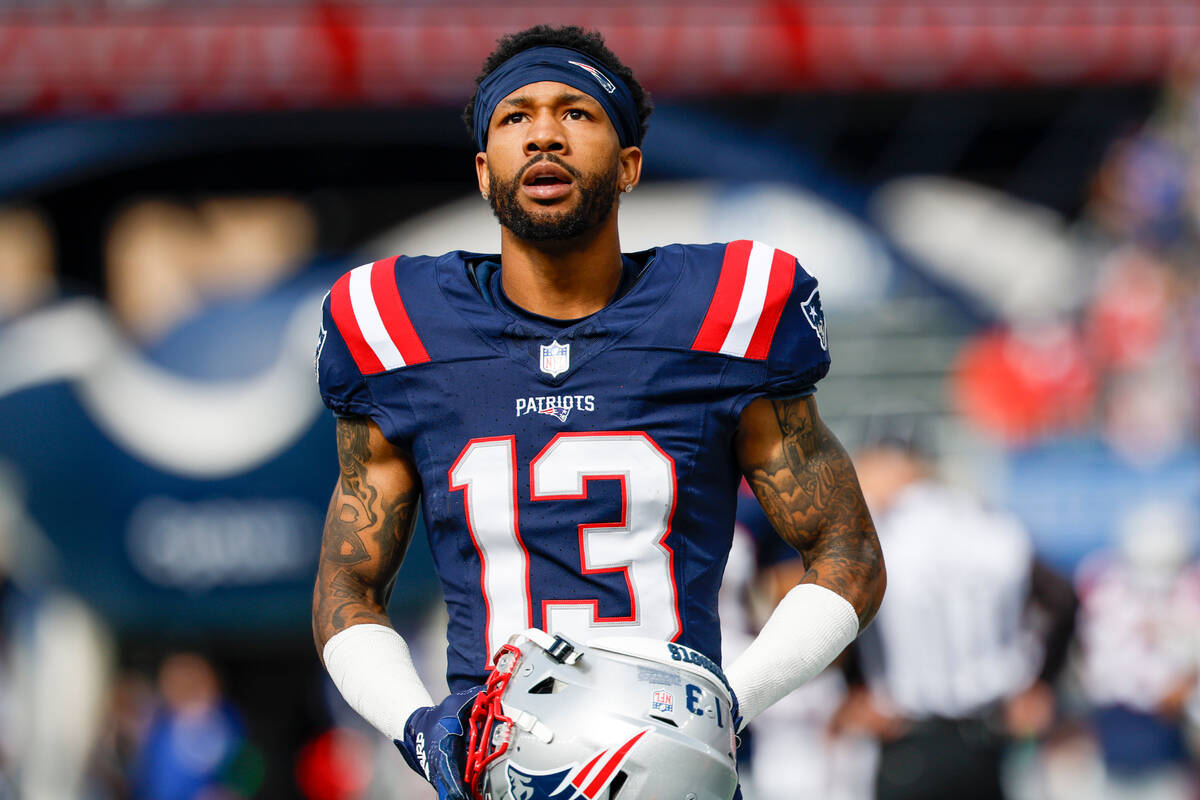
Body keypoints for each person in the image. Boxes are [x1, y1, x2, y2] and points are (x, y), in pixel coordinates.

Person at [311, 24, 885, 800]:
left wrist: (717, 710)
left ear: (628, 164)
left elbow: (848, 551)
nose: (544, 133)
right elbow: (348, 583)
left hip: (672, 778)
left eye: (576, 113)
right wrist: (417, 724)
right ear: (484, 172)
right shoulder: (395, 324)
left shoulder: (725, 309)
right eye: (515, 117)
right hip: (495, 772)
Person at [832, 432, 1076, 800]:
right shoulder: (987, 522)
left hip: (905, 733)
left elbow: (838, 611)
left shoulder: (876, 532)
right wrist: (1042, 682)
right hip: (991, 732)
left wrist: (854, 687)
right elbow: (1062, 596)